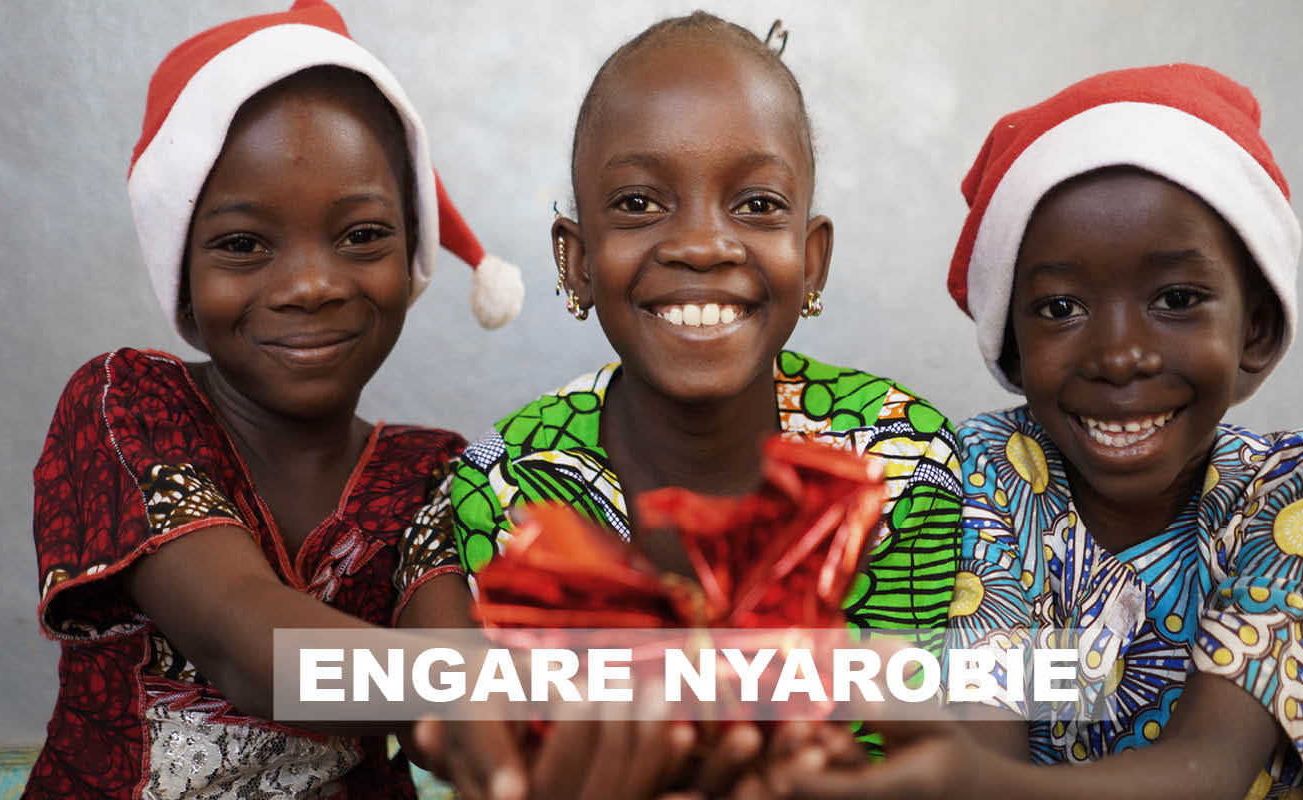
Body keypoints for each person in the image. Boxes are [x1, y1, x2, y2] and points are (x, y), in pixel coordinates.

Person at [396, 12, 963, 798]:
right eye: (637, 203)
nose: (702, 243)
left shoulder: (901, 460)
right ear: (577, 260)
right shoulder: (506, 487)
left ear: (812, 258)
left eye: (758, 205)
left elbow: (921, 750)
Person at [778, 65, 1303, 800]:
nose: (1119, 355)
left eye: (1177, 298)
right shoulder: (989, 478)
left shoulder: (1296, 501)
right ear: (1013, 345)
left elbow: (1209, 769)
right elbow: (985, 724)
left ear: (1253, 329)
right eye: (1061, 308)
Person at [26, 2, 523, 797]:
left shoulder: (436, 471)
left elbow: (455, 724)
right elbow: (250, 649)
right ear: (181, 273)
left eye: (361, 234)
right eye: (243, 245)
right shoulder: (124, 405)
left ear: (411, 246)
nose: (310, 286)